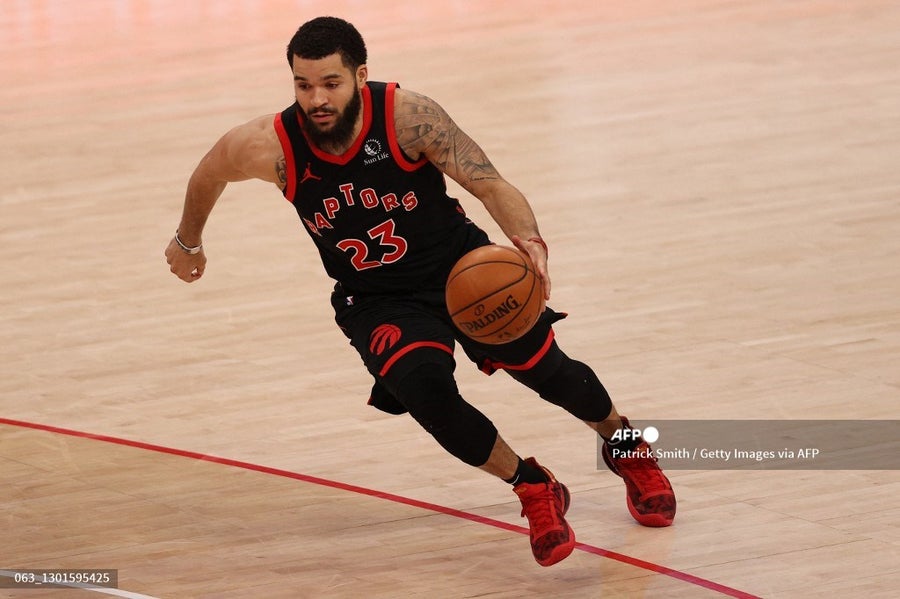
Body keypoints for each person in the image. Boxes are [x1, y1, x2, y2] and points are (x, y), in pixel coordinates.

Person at [165, 16, 675, 567]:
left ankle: (626, 446)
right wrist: (187, 241)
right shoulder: (270, 145)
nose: (317, 99)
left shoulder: (408, 117)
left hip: (460, 270)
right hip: (376, 298)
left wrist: (528, 239)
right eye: (303, 84)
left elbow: (487, 182)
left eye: (331, 83)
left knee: (549, 371)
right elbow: (208, 173)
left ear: (361, 75)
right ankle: (533, 485)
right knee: (427, 395)